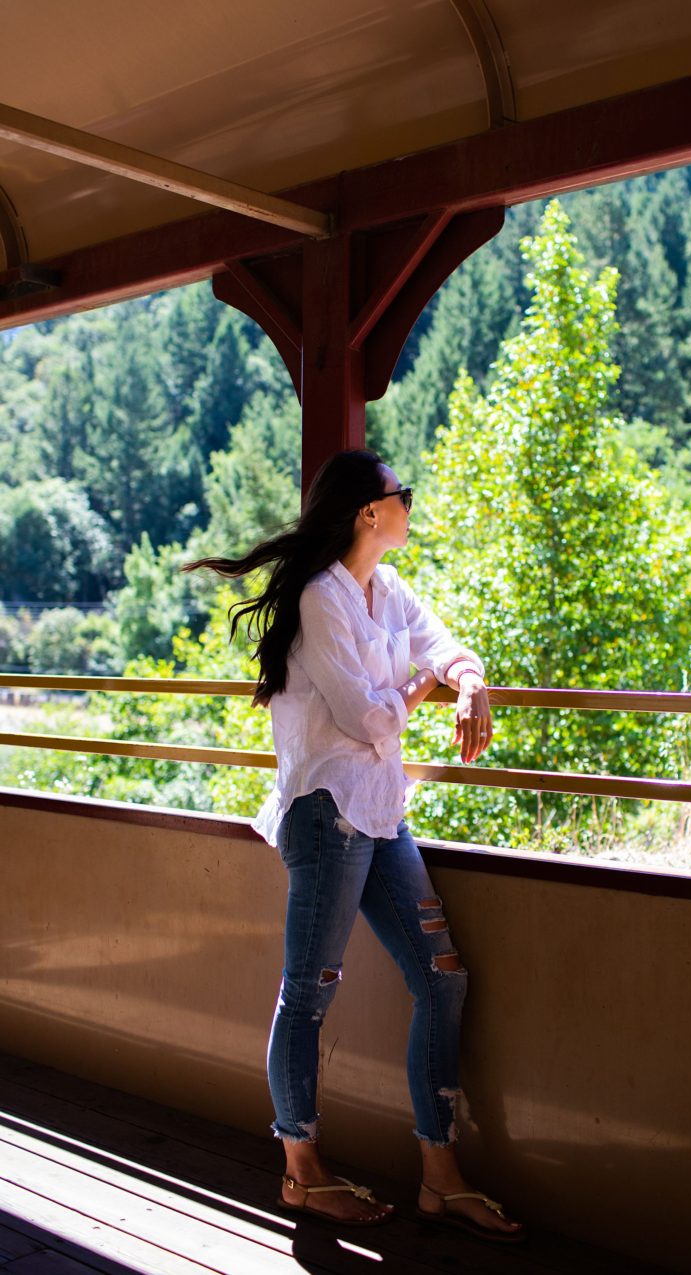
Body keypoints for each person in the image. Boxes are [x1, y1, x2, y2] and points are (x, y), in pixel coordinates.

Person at [185, 448, 523, 1241]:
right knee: (308, 991)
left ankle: (441, 1177)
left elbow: (440, 642)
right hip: (327, 814)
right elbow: (369, 719)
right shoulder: (320, 600)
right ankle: (302, 1173)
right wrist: (417, 688)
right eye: (401, 495)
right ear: (370, 512)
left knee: (443, 979)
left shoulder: (384, 587)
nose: (409, 502)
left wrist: (467, 680)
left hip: (381, 812)